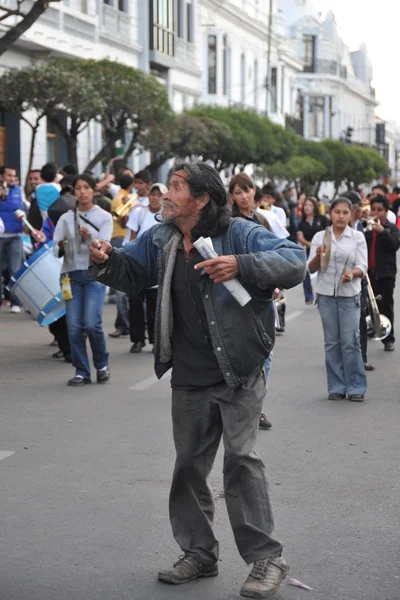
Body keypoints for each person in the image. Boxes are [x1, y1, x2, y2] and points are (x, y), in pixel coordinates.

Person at [89, 162, 306, 598]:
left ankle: (267, 560)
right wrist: (108, 259)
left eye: (176, 187)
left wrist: (241, 264)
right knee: (188, 466)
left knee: (241, 461)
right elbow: (134, 276)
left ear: (202, 198)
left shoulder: (241, 233)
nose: (165, 194)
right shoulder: (162, 238)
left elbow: (294, 261)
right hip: (188, 372)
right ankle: (199, 553)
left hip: (239, 369)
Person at [53, 174, 113, 386]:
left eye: (86, 187)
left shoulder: (104, 217)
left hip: (94, 274)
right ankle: (81, 371)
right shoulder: (65, 218)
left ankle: (102, 365)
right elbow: (55, 249)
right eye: (78, 187)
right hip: (70, 275)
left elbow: (105, 249)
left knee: (91, 323)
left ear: (94, 190)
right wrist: (64, 242)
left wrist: (90, 239)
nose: (82, 191)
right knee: (74, 326)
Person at [309, 197, 368, 401]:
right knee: (332, 343)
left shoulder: (357, 237)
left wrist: (352, 273)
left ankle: (356, 387)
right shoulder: (319, 236)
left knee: (351, 343)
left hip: (350, 295)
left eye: (345, 212)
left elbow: (363, 265)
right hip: (325, 295)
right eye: (337, 212)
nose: (341, 216)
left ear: (351, 214)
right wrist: (318, 255)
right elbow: (310, 268)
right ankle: (336, 386)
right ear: (330, 214)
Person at [125, 183, 166, 353]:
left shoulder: (167, 216)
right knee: (134, 303)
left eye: (158, 194)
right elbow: (131, 238)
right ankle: (137, 339)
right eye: (152, 194)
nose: (155, 198)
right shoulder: (139, 213)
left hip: (157, 267)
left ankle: (156, 340)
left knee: (155, 306)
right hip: (137, 264)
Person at [364, 195, 400, 352]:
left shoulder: (392, 228)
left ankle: (389, 338)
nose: (376, 213)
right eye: (373, 209)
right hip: (369, 273)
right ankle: (370, 331)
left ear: (386, 212)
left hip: (385, 274)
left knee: (386, 306)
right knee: (368, 307)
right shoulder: (367, 228)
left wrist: (383, 232)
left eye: (380, 210)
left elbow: (394, 246)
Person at [108, 174, 136, 339]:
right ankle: (123, 323)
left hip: (116, 237)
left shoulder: (118, 196)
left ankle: (125, 323)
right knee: (121, 282)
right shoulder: (125, 198)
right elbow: (122, 221)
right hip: (120, 238)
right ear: (131, 185)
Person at [0, 164, 24, 313]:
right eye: (9, 176)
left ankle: (16, 302)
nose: (12, 179)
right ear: (1, 176)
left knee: (15, 269)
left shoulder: (18, 190)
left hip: (15, 235)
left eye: (14, 176)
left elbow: (23, 208)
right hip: (0, 236)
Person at [297, 197, 329, 305]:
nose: (307, 208)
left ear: (315, 207)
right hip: (308, 249)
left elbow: (329, 232)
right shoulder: (302, 223)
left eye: (310, 205)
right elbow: (300, 238)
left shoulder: (322, 219)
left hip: (323, 249)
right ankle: (309, 296)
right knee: (305, 271)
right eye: (305, 205)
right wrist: (311, 244)